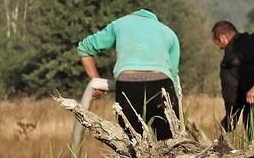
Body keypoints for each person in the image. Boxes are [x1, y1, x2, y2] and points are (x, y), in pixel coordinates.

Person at [76, 8, 181, 140]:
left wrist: (95, 80)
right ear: (154, 18)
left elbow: (84, 48)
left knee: (132, 143)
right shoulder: (168, 32)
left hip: (128, 84)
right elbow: (174, 76)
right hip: (162, 84)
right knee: (169, 143)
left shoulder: (119, 24)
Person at [211, 20, 254, 138]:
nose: (222, 49)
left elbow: (232, 94)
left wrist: (230, 122)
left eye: (220, 46)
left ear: (223, 38)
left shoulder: (229, 61)